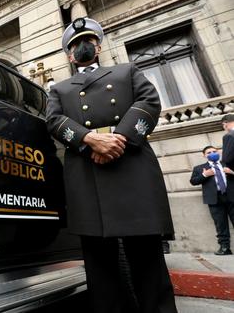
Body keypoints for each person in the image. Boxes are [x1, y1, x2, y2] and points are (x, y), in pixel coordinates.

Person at [46, 17, 177, 313]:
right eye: (76, 44)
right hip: (86, 172)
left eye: (87, 42)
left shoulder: (126, 71)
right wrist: (89, 139)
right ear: (69, 54)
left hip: (131, 168)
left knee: (148, 262)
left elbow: (149, 102)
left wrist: (118, 140)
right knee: (100, 268)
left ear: (98, 46)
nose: (82, 47)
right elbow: (53, 121)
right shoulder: (60, 89)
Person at [190, 145, 234, 255]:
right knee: (220, 224)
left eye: (214, 151)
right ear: (204, 155)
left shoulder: (228, 164)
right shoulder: (199, 168)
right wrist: (205, 174)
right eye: (209, 152)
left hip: (231, 197)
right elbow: (193, 181)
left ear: (218, 152)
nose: (212, 153)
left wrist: (232, 172)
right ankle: (225, 248)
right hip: (214, 199)